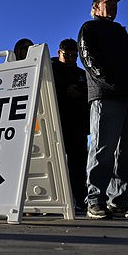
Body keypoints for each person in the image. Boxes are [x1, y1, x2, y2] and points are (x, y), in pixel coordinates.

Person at [78, 0, 128, 220]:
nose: (114, 6)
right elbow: (90, 60)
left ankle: (118, 200)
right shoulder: (89, 28)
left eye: (116, 3)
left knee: (127, 151)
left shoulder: (120, 31)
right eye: (109, 2)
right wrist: (111, 84)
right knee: (102, 149)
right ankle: (95, 199)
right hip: (106, 96)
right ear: (96, 6)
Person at [51, 38, 89, 210]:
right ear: (59, 53)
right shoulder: (49, 70)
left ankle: (79, 199)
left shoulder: (82, 74)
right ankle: (54, 199)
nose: (71, 59)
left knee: (78, 165)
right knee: (54, 163)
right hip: (55, 123)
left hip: (77, 125)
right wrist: (64, 91)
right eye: (67, 55)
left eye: (75, 56)